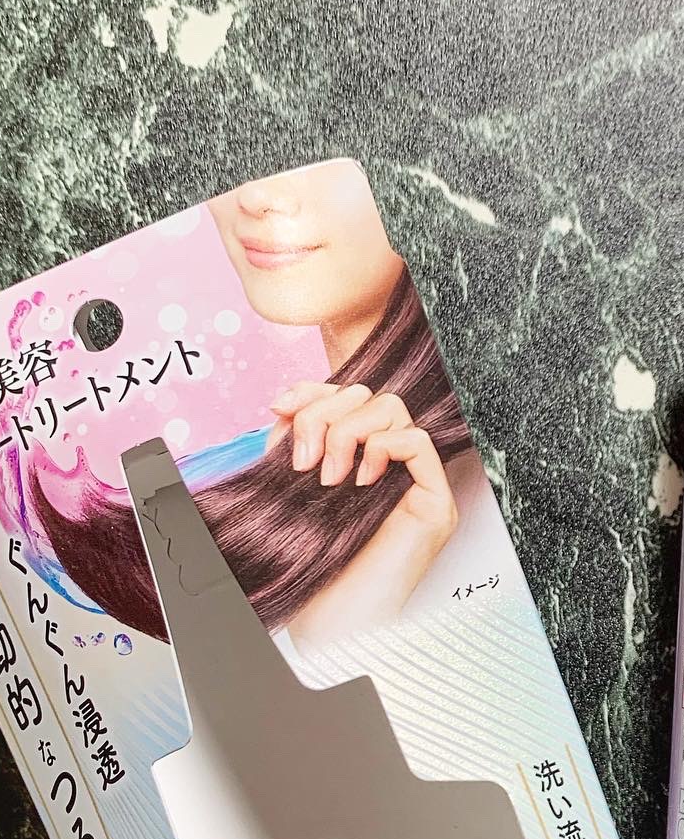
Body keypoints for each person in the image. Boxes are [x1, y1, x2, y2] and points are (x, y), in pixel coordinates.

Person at [33, 163, 475, 650]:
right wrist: (336, 637)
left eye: (318, 156)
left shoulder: (488, 493)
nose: (253, 196)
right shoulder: (351, 507)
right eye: (223, 155)